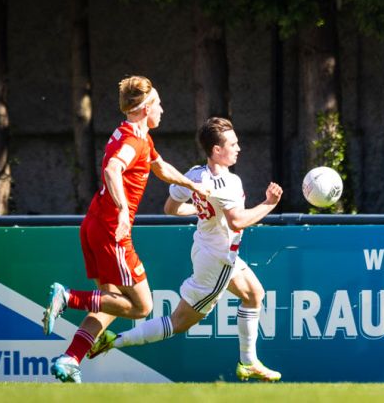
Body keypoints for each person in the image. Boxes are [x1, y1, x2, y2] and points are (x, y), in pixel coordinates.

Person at [87, 117, 283, 381]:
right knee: (178, 322)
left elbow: (171, 208)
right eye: (233, 144)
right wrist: (269, 204)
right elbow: (239, 220)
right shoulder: (229, 183)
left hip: (207, 248)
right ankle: (115, 340)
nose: (239, 148)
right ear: (216, 150)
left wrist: (207, 213)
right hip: (218, 259)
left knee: (254, 294)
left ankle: (248, 361)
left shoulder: (195, 174)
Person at [42, 75, 209, 383]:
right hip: (111, 230)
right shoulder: (134, 140)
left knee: (112, 302)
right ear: (146, 108)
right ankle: (67, 297)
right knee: (142, 306)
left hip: (93, 225)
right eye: (158, 103)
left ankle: (69, 359)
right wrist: (121, 211)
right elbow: (112, 168)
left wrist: (191, 184)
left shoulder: (134, 133)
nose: (163, 109)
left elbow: (160, 168)